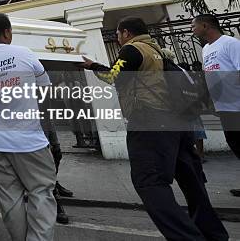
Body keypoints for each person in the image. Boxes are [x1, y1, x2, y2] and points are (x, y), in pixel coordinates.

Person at [81, 17, 228, 240]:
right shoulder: (157, 49)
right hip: (178, 122)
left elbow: (113, 76)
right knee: (191, 181)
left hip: (150, 121)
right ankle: (214, 234)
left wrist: (92, 66)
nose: (119, 39)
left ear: (126, 33)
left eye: (119, 35)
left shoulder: (132, 50)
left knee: (149, 182)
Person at [0, 13, 57, 241]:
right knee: (41, 193)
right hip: (30, 142)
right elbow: (45, 89)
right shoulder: (25, 54)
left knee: (10, 199)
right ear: (8, 32)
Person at [192, 13, 240, 196]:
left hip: (237, 105)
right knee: (234, 142)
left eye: (193, 25)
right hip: (224, 107)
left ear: (205, 26)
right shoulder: (206, 49)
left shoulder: (230, 43)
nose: (192, 29)